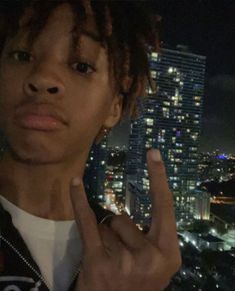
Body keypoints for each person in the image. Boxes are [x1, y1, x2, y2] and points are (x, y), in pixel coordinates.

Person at [0, 1, 181, 290]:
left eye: (81, 66)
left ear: (114, 107)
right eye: (22, 55)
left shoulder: (131, 259)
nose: (43, 78)